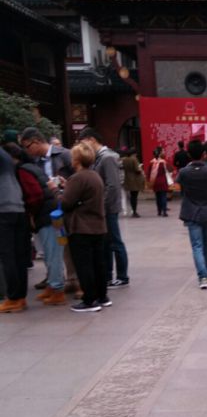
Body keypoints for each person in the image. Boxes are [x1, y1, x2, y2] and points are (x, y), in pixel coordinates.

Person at [20, 127, 79, 295]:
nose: (26, 150)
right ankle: (55, 278)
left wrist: (65, 185)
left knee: (70, 244)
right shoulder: (35, 162)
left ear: (37, 141)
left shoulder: (64, 154)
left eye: (27, 146)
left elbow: (79, 175)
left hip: (67, 204)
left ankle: (75, 280)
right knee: (54, 245)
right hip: (50, 209)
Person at [5, 143, 65, 306]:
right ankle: (53, 285)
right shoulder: (31, 167)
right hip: (52, 213)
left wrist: (31, 213)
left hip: (46, 215)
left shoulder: (22, 170)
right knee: (51, 252)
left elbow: (35, 195)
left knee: (52, 253)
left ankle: (57, 290)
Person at [59, 143, 109, 312]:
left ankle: (89, 300)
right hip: (98, 226)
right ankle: (102, 296)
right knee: (98, 263)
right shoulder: (95, 175)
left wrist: (55, 191)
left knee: (84, 265)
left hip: (81, 228)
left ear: (77, 160)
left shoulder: (78, 178)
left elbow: (66, 203)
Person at [78, 128, 130, 289]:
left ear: (92, 140)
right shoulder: (100, 157)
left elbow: (112, 186)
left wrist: (101, 206)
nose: (83, 148)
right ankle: (107, 276)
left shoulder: (107, 157)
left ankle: (122, 276)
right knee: (106, 243)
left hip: (108, 208)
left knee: (115, 242)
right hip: (103, 208)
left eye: (83, 143)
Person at [176, 140, 207, 289]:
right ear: (204, 154)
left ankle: (203, 276)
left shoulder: (183, 172)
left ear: (189, 154)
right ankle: (205, 272)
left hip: (191, 211)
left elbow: (180, 184)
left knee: (197, 245)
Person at [0, 146, 30, 313]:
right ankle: (20, 297)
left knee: (7, 255)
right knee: (19, 255)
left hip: (3, 209)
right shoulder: (5, 155)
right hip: (18, 207)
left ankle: (13, 298)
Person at [147, 148, 171, 217]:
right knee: (163, 196)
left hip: (155, 182)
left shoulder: (151, 162)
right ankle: (164, 211)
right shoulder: (163, 162)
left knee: (158, 197)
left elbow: (149, 173)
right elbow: (170, 169)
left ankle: (159, 211)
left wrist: (149, 181)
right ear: (159, 154)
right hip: (163, 181)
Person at [122, 148, 145, 218]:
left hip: (128, 179)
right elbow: (137, 169)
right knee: (134, 196)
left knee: (132, 196)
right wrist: (140, 168)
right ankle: (134, 211)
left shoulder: (124, 160)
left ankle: (133, 210)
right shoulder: (134, 159)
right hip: (135, 179)